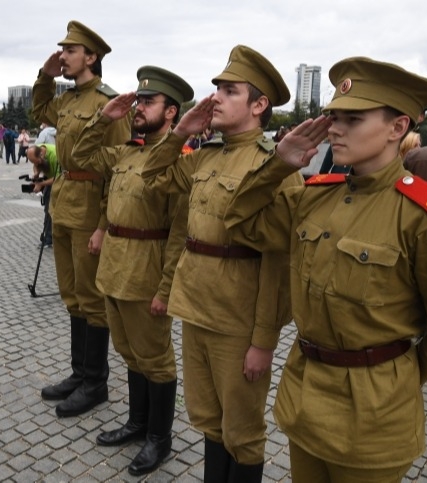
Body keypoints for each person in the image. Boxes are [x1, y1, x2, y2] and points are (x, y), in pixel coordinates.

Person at [221, 56, 427, 483]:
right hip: (305, 399)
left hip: (373, 419)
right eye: (334, 116)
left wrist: (396, 372)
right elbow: (241, 222)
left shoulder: (425, 216)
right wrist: (279, 164)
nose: (334, 128)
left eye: (353, 119)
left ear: (397, 128)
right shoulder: (315, 197)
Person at [140, 45, 301, 482]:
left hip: (239, 319)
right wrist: (179, 134)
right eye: (216, 90)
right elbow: (152, 180)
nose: (216, 99)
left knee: (243, 431)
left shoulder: (277, 166)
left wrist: (264, 340)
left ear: (258, 104)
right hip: (197, 308)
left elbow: (279, 262)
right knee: (209, 418)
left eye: (229, 91)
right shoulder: (207, 155)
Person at [72, 66, 192, 476]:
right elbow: (80, 156)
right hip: (114, 269)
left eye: (148, 102)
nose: (138, 108)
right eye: (138, 101)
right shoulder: (126, 151)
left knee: (156, 358)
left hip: (146, 274)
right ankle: (138, 422)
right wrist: (102, 120)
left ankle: (160, 437)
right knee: (129, 352)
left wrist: (166, 288)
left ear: (172, 113)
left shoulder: (180, 164)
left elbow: (179, 231)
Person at [31, 20, 131, 419]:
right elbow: (39, 110)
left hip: (91, 207)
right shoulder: (68, 99)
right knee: (72, 295)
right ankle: (79, 373)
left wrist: (104, 225)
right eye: (62, 50)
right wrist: (44, 76)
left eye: (69, 50)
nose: (63, 55)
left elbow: (119, 164)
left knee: (92, 299)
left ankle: (96, 382)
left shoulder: (109, 101)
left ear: (91, 56)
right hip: (66, 202)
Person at [27, 143, 59, 248]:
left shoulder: (55, 155)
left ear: (41, 155)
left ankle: (50, 238)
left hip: (60, 182)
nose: (34, 163)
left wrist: (40, 184)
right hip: (49, 180)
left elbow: (58, 179)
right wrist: (36, 173)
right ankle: (48, 237)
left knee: (52, 210)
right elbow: (36, 165)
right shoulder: (38, 149)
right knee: (47, 209)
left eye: (34, 161)